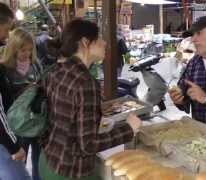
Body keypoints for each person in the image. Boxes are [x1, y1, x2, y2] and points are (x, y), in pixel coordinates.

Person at [39, 18, 141, 180]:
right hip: (70, 170)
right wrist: (129, 129)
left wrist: (96, 109)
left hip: (48, 160)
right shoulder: (85, 82)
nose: (105, 43)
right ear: (85, 42)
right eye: (99, 38)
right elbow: (88, 144)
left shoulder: (57, 70)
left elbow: (63, 113)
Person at [1, 27, 43, 180]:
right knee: (19, 162)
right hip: (18, 125)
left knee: (38, 160)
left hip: (37, 121)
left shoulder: (36, 64)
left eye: (30, 50)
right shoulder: (4, 69)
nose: (26, 53)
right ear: (13, 48)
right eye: (22, 50)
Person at [0, 2, 31, 180]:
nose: (6, 34)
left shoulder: (34, 64)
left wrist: (22, 88)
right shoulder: (6, 66)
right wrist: (13, 146)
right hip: (5, 141)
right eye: (6, 28)